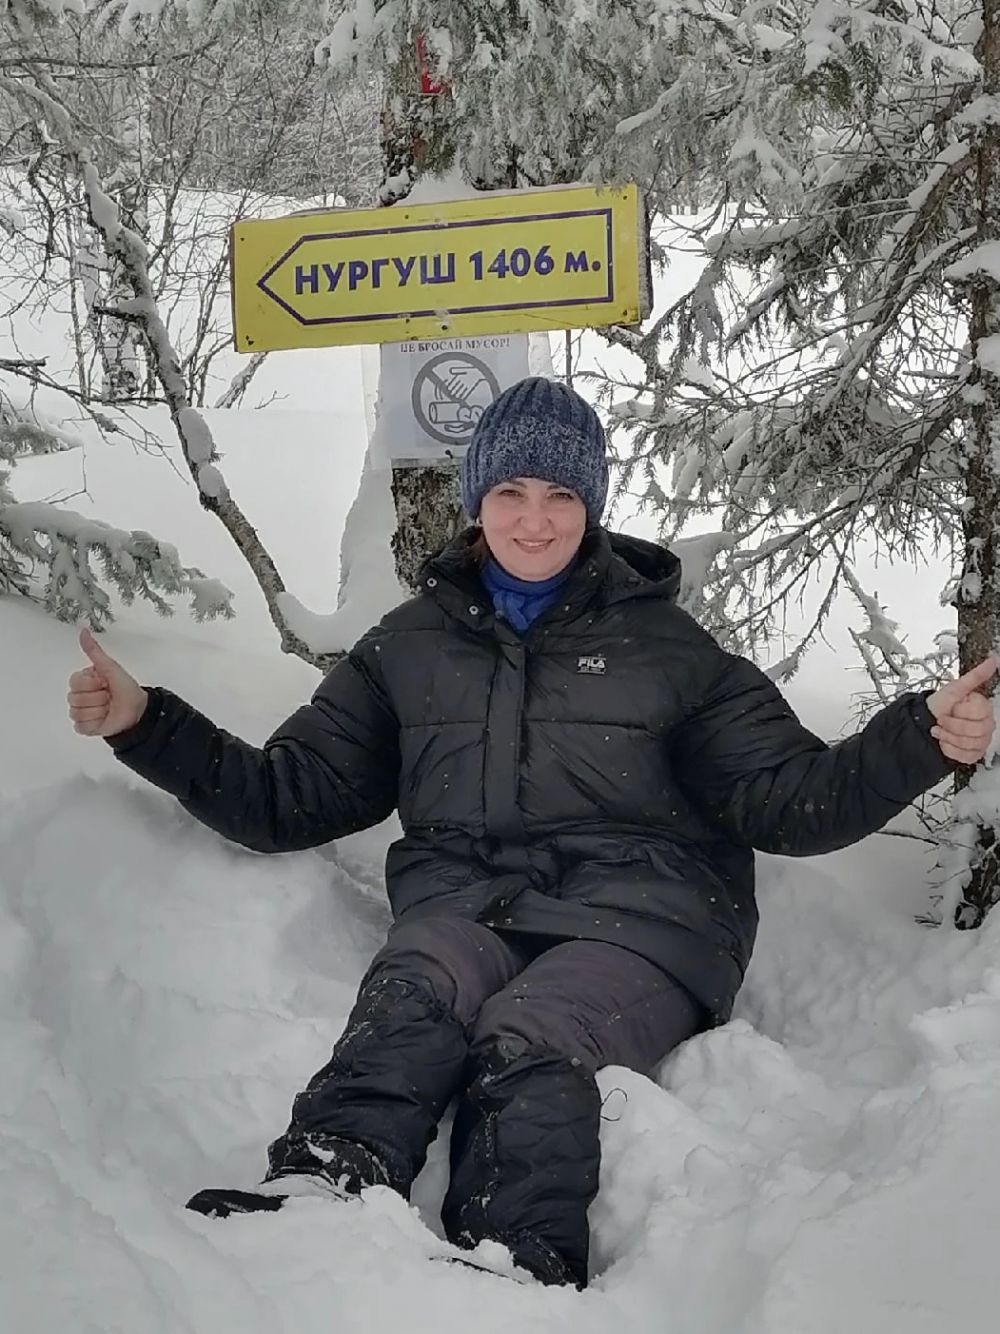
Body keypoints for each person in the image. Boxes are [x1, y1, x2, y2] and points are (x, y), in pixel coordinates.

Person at [67, 376, 995, 1289]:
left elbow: (790, 800)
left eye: (560, 496)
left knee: (532, 1028)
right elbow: (290, 797)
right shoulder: (409, 648)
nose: (536, 521)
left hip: (643, 922)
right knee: (414, 987)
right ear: (478, 502)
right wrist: (147, 724)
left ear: (591, 507)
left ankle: (517, 1256)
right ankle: (324, 1176)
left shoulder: (669, 652)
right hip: (468, 905)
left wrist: (919, 741)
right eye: (511, 492)